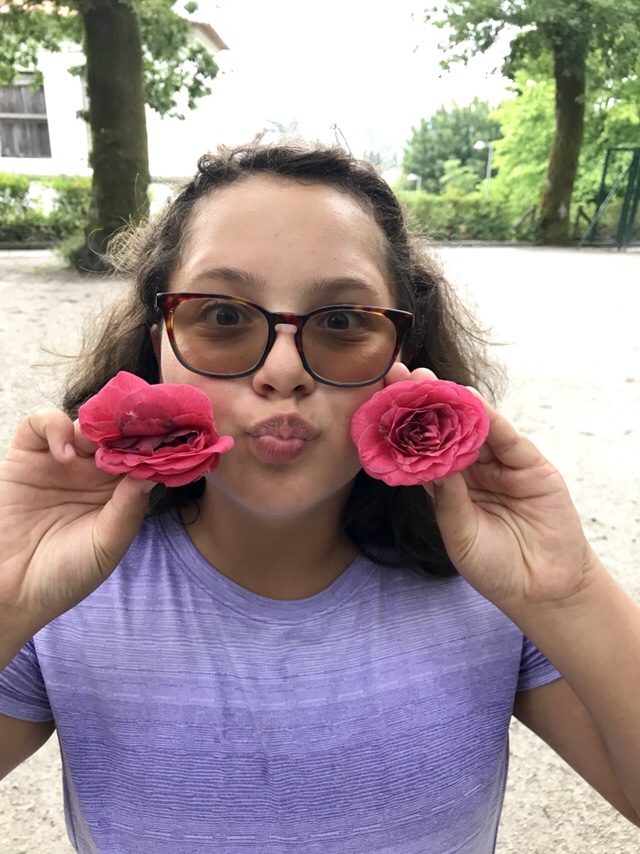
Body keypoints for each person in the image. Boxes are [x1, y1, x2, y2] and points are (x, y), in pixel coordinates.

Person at [0, 142, 638, 854]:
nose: (281, 371)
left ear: (403, 358)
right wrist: (8, 599)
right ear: (159, 348)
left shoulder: (492, 588)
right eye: (221, 315)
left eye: (340, 321)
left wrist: (568, 592)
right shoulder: (66, 596)